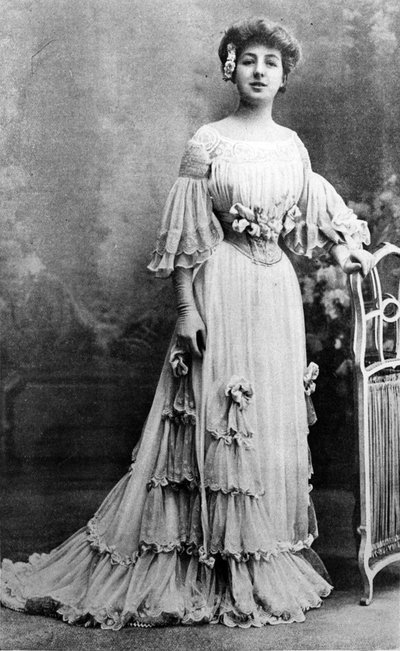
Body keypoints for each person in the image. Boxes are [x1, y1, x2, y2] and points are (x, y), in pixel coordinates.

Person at [1, 18, 374, 628]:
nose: (259, 70)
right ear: (231, 67)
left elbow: (313, 208)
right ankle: (207, 559)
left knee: (267, 415)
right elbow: (185, 237)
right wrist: (185, 308)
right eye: (248, 59)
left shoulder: (292, 145)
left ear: (283, 76)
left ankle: (258, 550)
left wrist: (346, 251)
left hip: (275, 292)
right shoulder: (208, 141)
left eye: (271, 62)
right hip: (221, 284)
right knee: (217, 413)